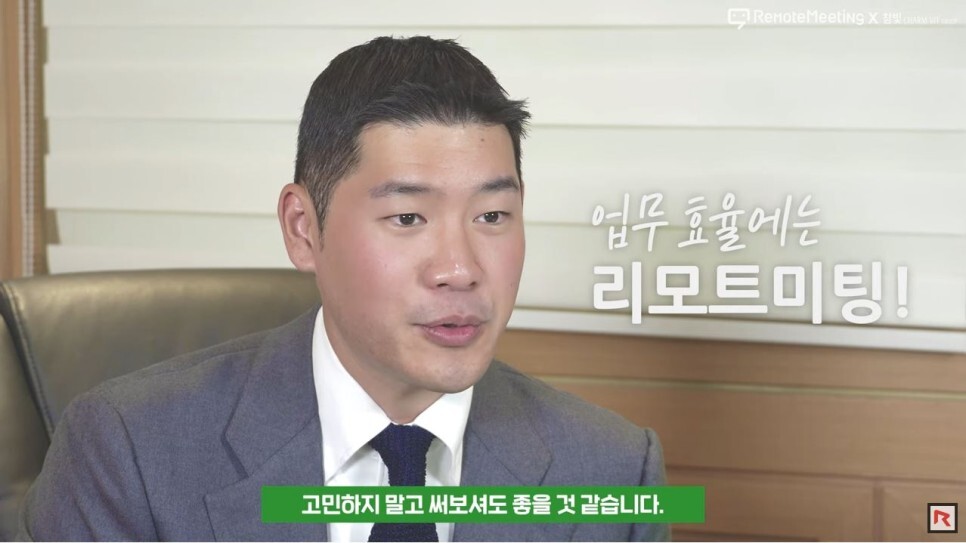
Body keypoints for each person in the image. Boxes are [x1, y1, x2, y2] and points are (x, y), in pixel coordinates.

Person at [18, 36, 667, 542]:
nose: (460, 268)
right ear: (303, 229)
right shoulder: (131, 450)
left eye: (492, 216)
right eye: (408, 218)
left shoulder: (612, 470)